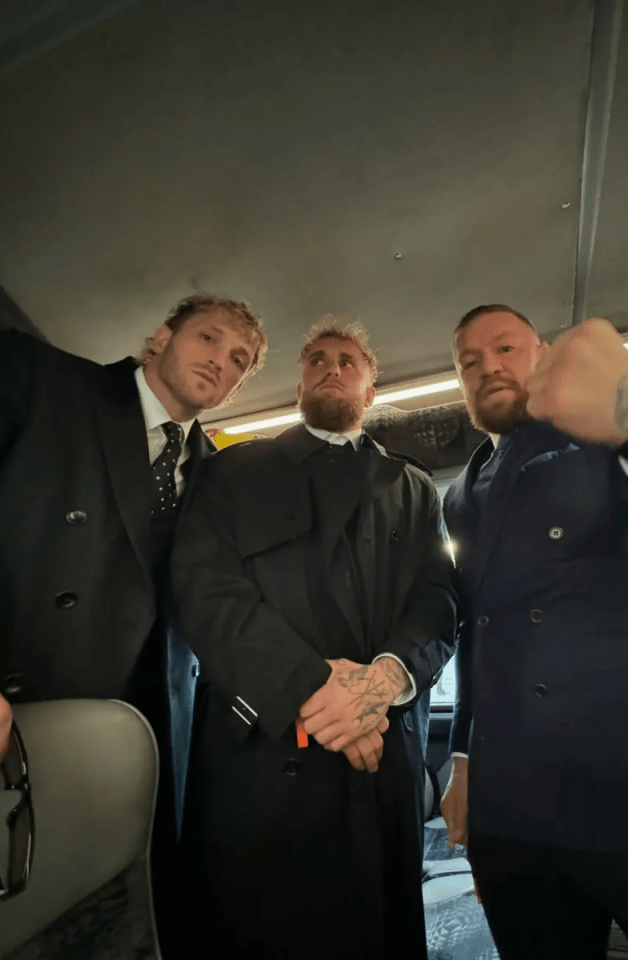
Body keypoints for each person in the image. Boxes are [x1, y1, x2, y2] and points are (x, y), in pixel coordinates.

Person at [440, 304, 628, 958]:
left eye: (505, 349)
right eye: (469, 362)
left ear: (545, 353)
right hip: (514, 813)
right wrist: (463, 758)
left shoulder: (607, 429)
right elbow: (477, 633)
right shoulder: (459, 494)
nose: (487, 367)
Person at [0, 294, 266, 949]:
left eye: (238, 360)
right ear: (159, 338)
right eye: (208, 338)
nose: (219, 361)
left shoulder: (221, 476)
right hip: (7, 712)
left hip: (136, 744)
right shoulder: (39, 378)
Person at [171, 317, 456, 960]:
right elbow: (205, 591)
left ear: (372, 390)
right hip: (260, 755)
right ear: (298, 388)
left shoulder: (412, 488)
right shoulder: (233, 471)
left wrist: (384, 678)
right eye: (318, 359)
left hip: (383, 760)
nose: (333, 367)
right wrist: (313, 688)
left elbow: (439, 600)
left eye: (349, 360)